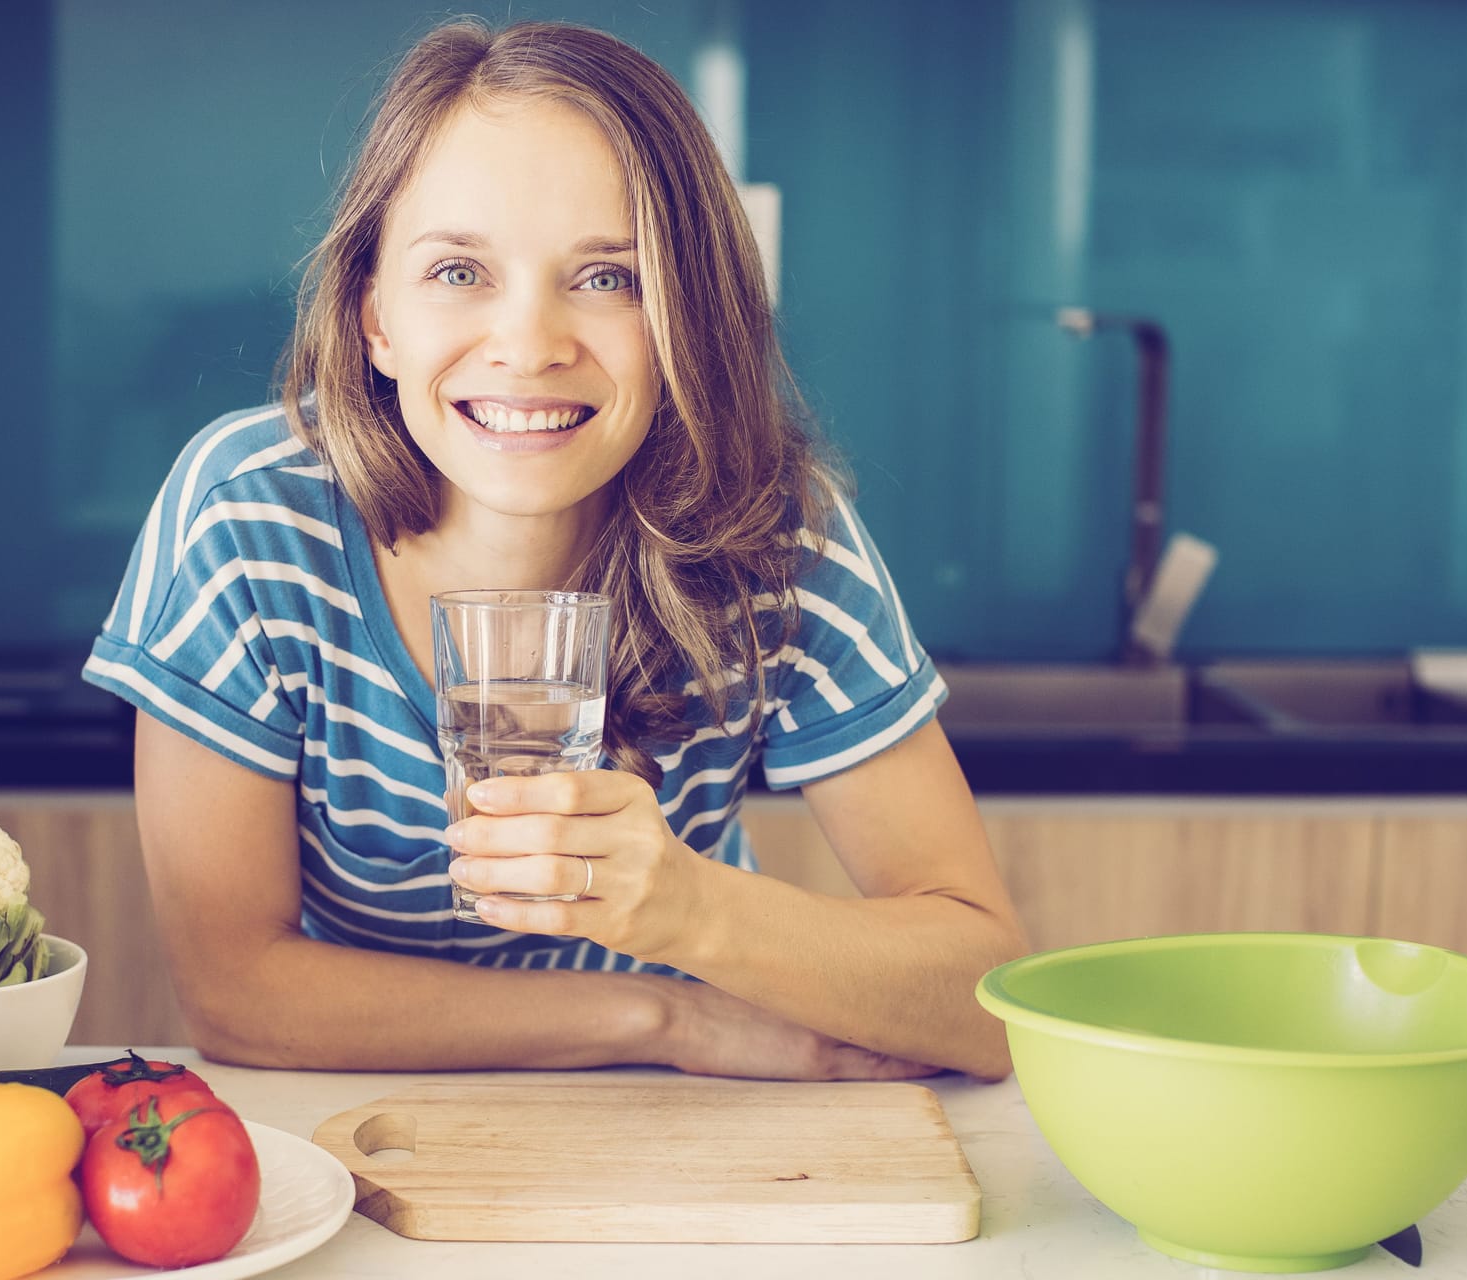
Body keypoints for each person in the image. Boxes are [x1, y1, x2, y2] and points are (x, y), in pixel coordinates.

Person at [83, 18, 1029, 1082]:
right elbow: (238, 994)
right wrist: (667, 1018)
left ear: (687, 316)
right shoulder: (249, 520)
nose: (530, 344)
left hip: (687, 1130)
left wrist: (689, 906)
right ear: (375, 318)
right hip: (369, 1114)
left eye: (609, 278)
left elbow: (988, 1003)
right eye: (456, 272)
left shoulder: (773, 534)